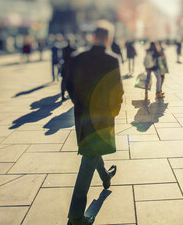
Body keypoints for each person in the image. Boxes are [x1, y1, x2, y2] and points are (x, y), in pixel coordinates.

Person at [65, 20, 122, 225]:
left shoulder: (77, 58)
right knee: (88, 160)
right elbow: (118, 92)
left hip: (82, 117)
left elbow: (69, 85)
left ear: (92, 37)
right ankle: (76, 216)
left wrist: (79, 104)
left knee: (92, 150)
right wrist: (113, 112)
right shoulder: (111, 59)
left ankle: (105, 176)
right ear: (108, 38)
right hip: (102, 119)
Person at [61, 35, 77, 101]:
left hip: (65, 66)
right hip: (71, 66)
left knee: (64, 80)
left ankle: (63, 94)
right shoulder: (74, 48)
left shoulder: (64, 48)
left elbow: (62, 57)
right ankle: (72, 94)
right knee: (72, 81)